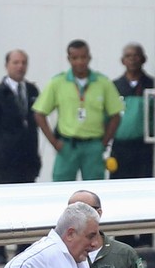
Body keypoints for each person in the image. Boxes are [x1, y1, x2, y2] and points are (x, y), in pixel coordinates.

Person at [0, 49, 42, 265]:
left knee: (26, 206)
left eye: (24, 62)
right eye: (16, 62)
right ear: (7, 65)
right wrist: (2, 145)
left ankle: (23, 248)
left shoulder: (33, 90)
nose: (20, 66)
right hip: (5, 161)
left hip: (28, 159)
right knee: (4, 206)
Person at [32, 39, 122, 182]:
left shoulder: (102, 83)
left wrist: (104, 142)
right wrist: (54, 142)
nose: (79, 62)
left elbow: (116, 115)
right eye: (75, 58)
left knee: (94, 189)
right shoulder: (58, 82)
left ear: (89, 57)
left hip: (93, 146)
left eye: (83, 57)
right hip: (67, 145)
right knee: (61, 187)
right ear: (69, 59)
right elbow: (39, 113)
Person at [111, 43, 155, 248]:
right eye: (128, 55)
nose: (132, 59)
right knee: (121, 194)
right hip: (120, 148)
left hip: (144, 147)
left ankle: (145, 240)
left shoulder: (152, 84)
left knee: (145, 194)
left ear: (143, 59)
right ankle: (124, 241)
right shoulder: (114, 86)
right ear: (122, 60)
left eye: (136, 55)